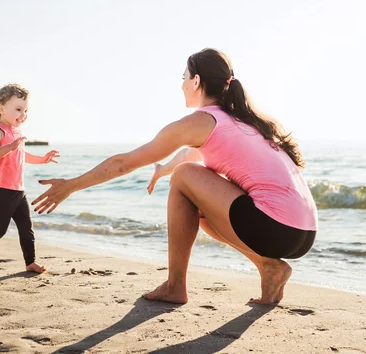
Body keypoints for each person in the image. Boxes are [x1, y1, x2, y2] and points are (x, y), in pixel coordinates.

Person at [32, 48, 317, 304]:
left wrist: (70, 186)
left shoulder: (200, 121)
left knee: (183, 178)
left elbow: (124, 163)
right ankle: (269, 267)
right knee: (197, 204)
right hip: (302, 233)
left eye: (184, 77)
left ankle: (174, 286)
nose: (181, 85)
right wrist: (161, 170)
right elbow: (190, 156)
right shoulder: (241, 121)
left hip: (276, 227)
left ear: (196, 81)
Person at [0, 84, 59, 274]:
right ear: (2, 109)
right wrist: (10, 147)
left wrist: (43, 159)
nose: (23, 114)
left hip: (18, 190)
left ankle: (30, 262)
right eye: (18, 109)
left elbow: (23, 154)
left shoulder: (17, 134)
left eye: (25, 110)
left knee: (27, 228)